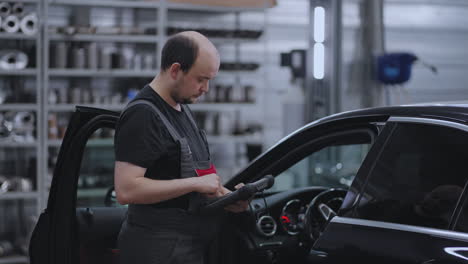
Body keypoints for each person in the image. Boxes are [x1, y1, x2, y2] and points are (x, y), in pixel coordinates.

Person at [114, 31, 249, 264]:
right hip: (156, 249)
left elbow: (191, 175)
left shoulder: (181, 108)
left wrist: (226, 197)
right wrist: (195, 184)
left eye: (209, 80)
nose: (205, 88)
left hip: (186, 246)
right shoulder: (143, 114)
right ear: (175, 70)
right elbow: (127, 190)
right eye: (201, 79)